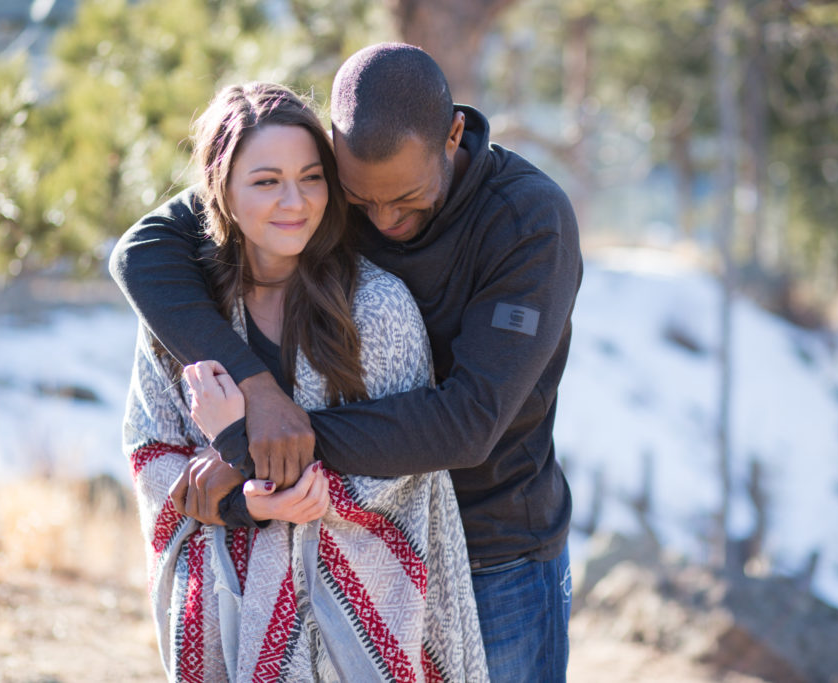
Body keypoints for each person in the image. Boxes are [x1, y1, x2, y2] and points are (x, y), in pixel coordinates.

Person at [112, 43, 581, 681]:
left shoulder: (528, 221)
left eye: (408, 199)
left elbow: (469, 424)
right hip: (350, 545)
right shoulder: (322, 182)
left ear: (453, 135)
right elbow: (142, 252)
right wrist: (258, 392)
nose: (384, 219)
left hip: (497, 548)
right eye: (362, 201)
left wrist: (253, 449)